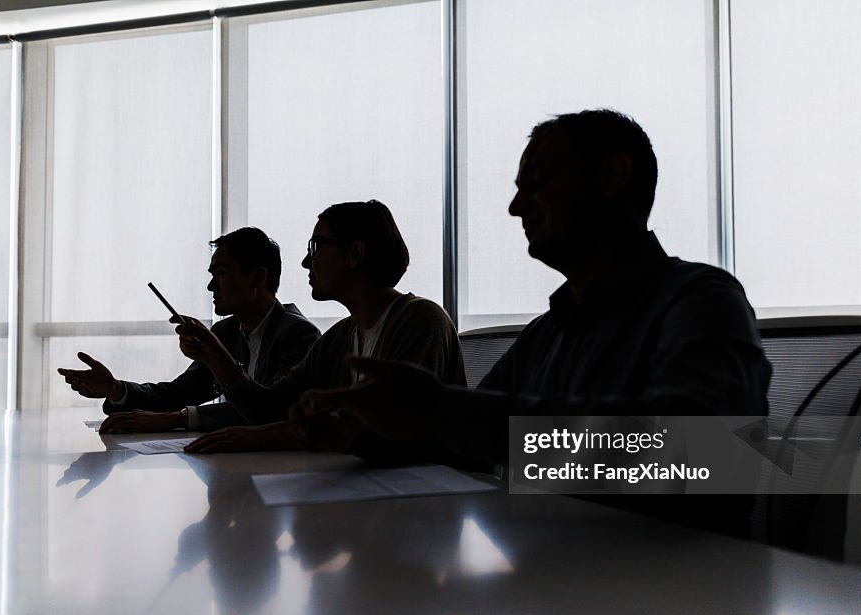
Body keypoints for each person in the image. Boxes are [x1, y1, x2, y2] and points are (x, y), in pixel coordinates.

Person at [297, 110, 772, 537]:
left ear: (612, 175)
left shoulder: (702, 299)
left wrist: (441, 410)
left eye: (537, 181)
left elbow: (701, 453)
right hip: (562, 588)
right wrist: (362, 436)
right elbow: (470, 441)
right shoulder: (549, 331)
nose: (515, 206)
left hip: (683, 604)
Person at [179, 200, 465, 455]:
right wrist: (215, 355)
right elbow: (270, 409)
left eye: (316, 246)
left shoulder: (423, 320)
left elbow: (393, 433)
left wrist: (265, 436)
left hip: (428, 503)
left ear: (355, 253)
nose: (306, 262)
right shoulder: (339, 337)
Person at [58, 227, 320, 433]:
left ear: (258, 278)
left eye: (221, 273)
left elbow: (270, 411)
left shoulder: (299, 335)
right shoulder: (226, 331)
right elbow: (180, 392)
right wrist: (116, 389)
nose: (210, 287)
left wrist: (178, 419)